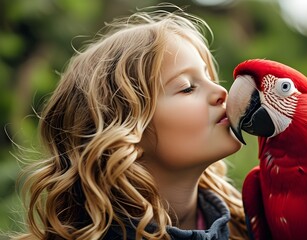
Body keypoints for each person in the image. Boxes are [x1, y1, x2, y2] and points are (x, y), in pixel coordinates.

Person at [15, 5, 249, 240]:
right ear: (123, 133)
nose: (221, 90)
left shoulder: (253, 225)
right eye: (187, 88)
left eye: (209, 77)